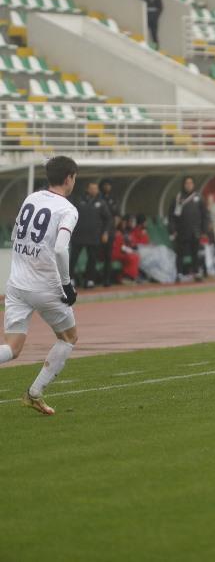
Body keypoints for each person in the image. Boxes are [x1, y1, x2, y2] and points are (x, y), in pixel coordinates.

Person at [0, 156, 80, 415]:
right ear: (69, 178)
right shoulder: (67, 209)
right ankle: (34, 393)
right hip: (45, 286)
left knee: (12, 348)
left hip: (16, 284)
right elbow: (59, 248)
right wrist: (66, 285)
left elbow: (16, 237)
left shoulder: (31, 198)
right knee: (68, 338)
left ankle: (34, 395)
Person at [69, 181, 110, 289]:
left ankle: (89, 280)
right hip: (78, 235)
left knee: (92, 259)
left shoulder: (101, 203)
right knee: (73, 258)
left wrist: (105, 232)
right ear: (87, 189)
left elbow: (107, 219)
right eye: (92, 188)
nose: (94, 191)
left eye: (96, 189)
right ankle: (70, 279)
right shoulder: (79, 200)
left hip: (94, 236)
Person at [169, 176, 209, 282]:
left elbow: (205, 215)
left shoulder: (199, 198)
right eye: (187, 183)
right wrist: (172, 229)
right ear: (183, 184)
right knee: (180, 254)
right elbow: (172, 216)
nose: (189, 185)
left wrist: (204, 230)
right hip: (181, 231)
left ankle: (196, 272)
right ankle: (179, 274)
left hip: (195, 231)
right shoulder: (178, 198)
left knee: (195, 253)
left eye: (191, 183)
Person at [98, 180, 118, 287]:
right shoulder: (99, 198)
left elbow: (116, 215)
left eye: (109, 185)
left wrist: (114, 228)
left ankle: (107, 280)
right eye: (105, 185)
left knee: (108, 256)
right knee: (95, 255)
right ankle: (92, 279)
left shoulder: (113, 198)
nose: (107, 187)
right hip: (98, 231)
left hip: (110, 232)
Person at [112, 215, 141, 283]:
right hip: (114, 253)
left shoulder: (122, 231)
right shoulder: (113, 231)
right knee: (132, 257)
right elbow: (121, 246)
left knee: (135, 256)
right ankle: (125, 277)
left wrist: (131, 250)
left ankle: (131, 277)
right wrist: (130, 251)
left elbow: (123, 245)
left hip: (120, 252)